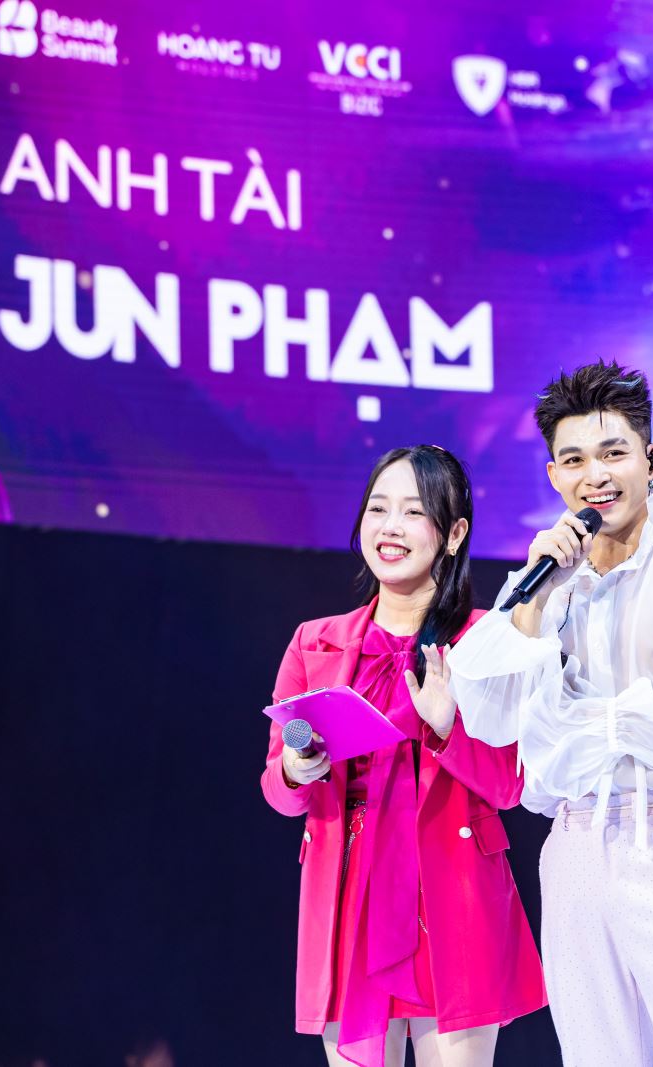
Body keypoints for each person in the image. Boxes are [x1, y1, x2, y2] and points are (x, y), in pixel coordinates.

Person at [447, 362, 653, 1066]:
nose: (596, 475)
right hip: (573, 841)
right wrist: (535, 599)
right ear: (554, 476)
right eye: (574, 460)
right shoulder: (545, 580)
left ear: (651, 459)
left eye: (613, 453)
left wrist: (563, 726)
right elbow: (488, 714)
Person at [259, 445, 546, 1067]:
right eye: (378, 508)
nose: (390, 527)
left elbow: (511, 784)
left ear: (454, 533)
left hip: (452, 893)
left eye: (413, 512)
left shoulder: (483, 642)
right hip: (349, 900)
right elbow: (279, 792)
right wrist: (295, 769)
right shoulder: (315, 643)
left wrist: (446, 730)